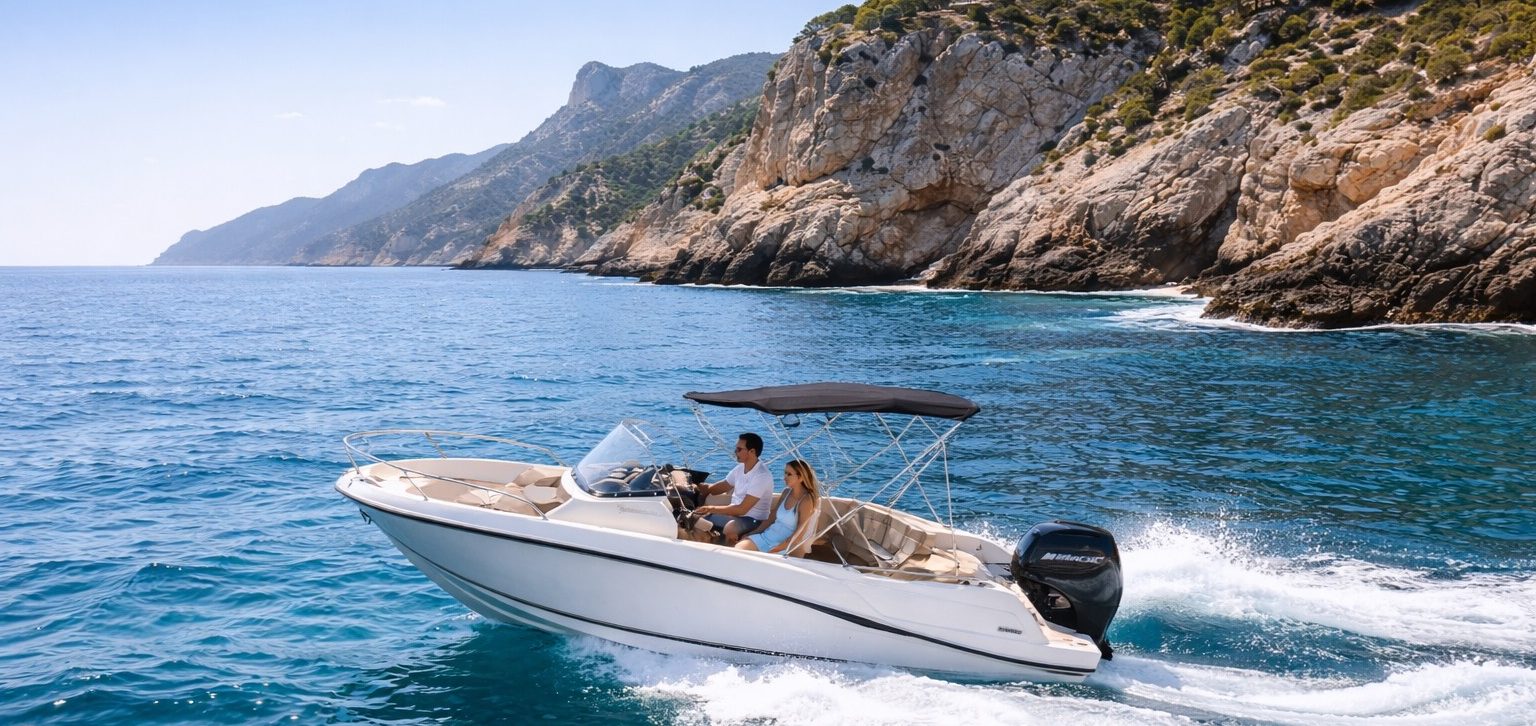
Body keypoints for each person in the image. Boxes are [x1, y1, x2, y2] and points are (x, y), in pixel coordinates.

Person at [691, 433, 773, 545]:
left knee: (730, 527)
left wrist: (711, 508)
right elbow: (721, 487)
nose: (735, 452)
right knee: (695, 517)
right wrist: (701, 487)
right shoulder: (740, 468)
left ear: (752, 452)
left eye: (739, 449)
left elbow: (742, 509)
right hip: (735, 515)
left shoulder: (761, 476)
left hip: (753, 520)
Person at [736, 459, 820, 556]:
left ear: (800, 477)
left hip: (783, 546)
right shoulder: (786, 492)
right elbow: (772, 517)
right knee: (738, 550)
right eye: (785, 473)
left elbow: (800, 533)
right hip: (766, 537)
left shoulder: (806, 500)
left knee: (759, 561)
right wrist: (753, 533)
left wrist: (777, 549)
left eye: (789, 474)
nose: (784, 477)